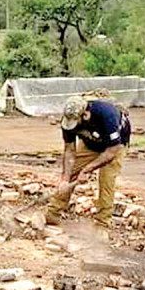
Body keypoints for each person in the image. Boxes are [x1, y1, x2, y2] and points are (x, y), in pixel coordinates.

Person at [46, 96, 131, 227]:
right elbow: (69, 151)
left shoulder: (107, 115)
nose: (72, 125)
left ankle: (102, 223)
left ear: (85, 115)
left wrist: (87, 170)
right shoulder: (68, 119)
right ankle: (52, 214)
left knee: (106, 181)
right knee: (72, 172)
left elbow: (111, 151)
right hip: (90, 143)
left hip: (114, 146)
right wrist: (65, 178)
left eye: (76, 122)